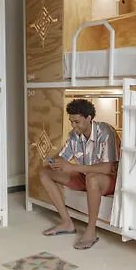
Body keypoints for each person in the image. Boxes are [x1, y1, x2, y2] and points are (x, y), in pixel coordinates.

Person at [39, 98, 121, 250]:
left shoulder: (106, 132)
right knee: (45, 172)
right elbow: (64, 157)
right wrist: (56, 162)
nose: (73, 125)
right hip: (84, 176)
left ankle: (91, 231)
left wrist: (73, 167)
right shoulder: (74, 134)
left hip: (108, 179)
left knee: (92, 178)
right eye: (71, 121)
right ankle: (66, 223)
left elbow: (108, 168)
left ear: (89, 118)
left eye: (76, 122)